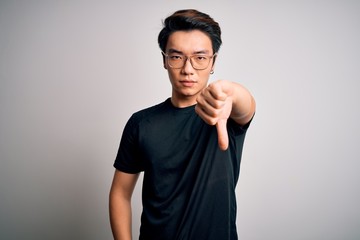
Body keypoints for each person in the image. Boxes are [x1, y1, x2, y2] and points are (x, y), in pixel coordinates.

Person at [109, 9, 256, 240]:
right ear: (165, 60)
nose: (188, 69)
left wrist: (232, 93)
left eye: (200, 58)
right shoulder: (141, 123)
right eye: (177, 56)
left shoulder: (225, 114)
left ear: (213, 61)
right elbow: (120, 192)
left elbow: (245, 104)